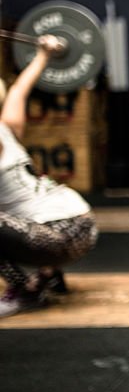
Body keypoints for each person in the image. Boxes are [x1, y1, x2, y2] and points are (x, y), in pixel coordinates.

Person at [0, 35, 98, 317]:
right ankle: (48, 274)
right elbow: (20, 89)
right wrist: (44, 54)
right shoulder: (7, 127)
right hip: (85, 226)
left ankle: (26, 292)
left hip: (56, 239)